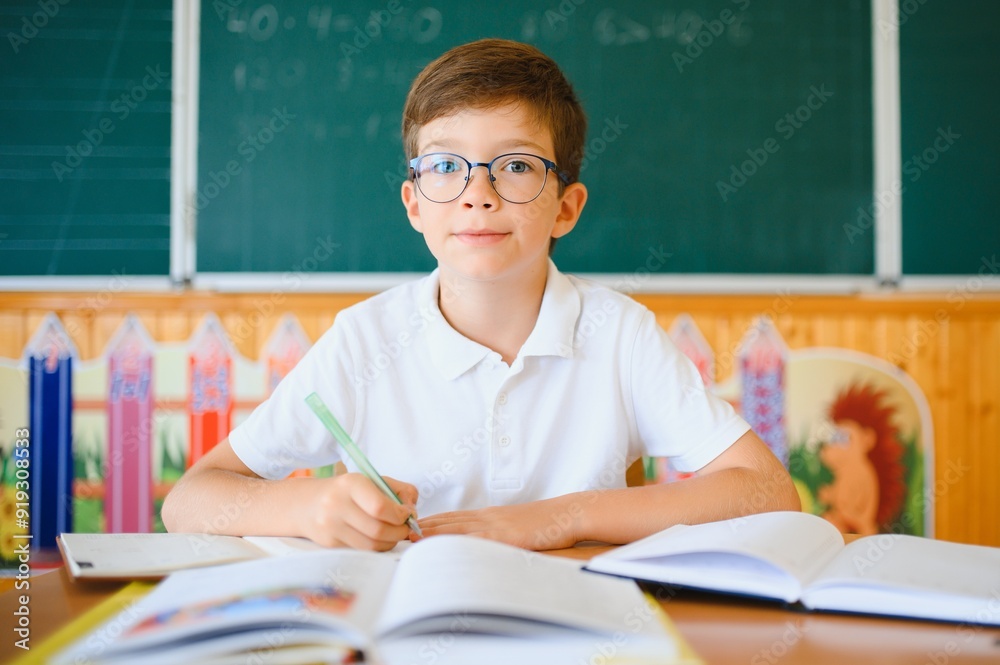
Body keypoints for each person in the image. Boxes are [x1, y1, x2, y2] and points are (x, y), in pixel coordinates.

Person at [163, 38, 799, 551]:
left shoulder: (619, 333)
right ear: (414, 204)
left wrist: (556, 518)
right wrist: (305, 505)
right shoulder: (366, 341)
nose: (478, 193)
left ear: (567, 209)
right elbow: (188, 501)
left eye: (517, 165)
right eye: (445, 165)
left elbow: (767, 492)